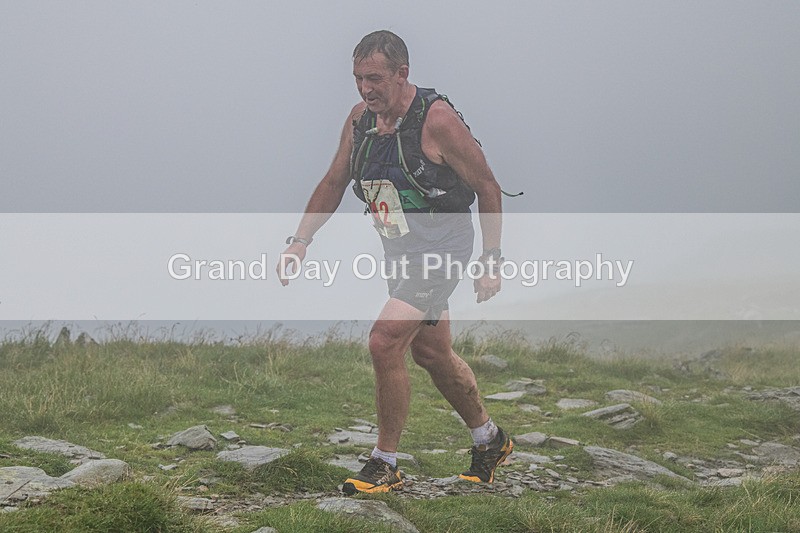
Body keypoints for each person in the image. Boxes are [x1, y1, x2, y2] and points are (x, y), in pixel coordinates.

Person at [276, 30, 512, 495]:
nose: (366, 89)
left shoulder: (437, 120)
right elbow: (334, 181)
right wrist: (300, 241)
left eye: (375, 79)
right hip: (400, 251)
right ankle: (490, 439)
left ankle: (384, 463)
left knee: (384, 342)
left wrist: (491, 259)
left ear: (402, 73)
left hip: (443, 249)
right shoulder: (360, 120)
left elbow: (487, 186)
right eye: (358, 79)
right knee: (431, 353)